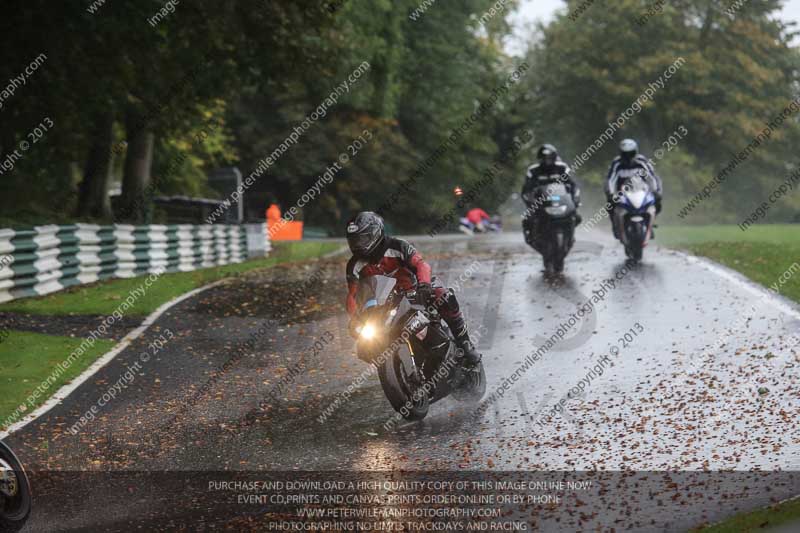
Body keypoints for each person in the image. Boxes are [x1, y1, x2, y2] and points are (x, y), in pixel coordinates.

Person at [344, 211, 481, 367]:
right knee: (364, 345)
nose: (358, 245)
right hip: (384, 305)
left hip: (417, 291)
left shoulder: (398, 245)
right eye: (354, 240)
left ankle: (465, 344)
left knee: (444, 295)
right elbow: (353, 295)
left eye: (362, 239)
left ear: (375, 233)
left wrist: (424, 285)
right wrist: (355, 317)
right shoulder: (354, 265)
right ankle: (396, 368)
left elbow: (421, 265)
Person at [521, 144, 582, 245]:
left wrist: (575, 199)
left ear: (555, 157)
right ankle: (532, 237)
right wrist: (530, 201)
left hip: (560, 201)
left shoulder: (562, 168)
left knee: (576, 217)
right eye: (544, 158)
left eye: (549, 158)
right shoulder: (533, 170)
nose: (547, 161)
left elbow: (573, 185)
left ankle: (569, 236)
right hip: (540, 204)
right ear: (539, 159)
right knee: (527, 219)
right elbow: (526, 190)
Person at [604, 139, 663, 239]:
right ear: (621, 153)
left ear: (636, 152)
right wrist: (610, 193)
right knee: (609, 205)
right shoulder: (617, 163)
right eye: (625, 154)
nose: (628, 157)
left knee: (657, 203)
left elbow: (653, 177)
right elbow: (610, 179)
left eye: (631, 154)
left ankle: (650, 223)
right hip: (622, 194)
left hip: (641, 191)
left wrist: (657, 191)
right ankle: (615, 225)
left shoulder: (642, 161)